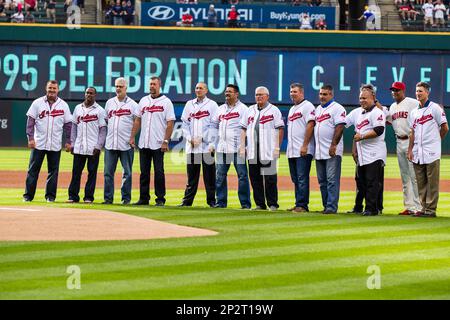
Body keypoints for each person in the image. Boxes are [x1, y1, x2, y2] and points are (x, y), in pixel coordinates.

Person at [23, 80, 72, 202]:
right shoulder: (37, 103)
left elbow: (68, 125)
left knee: (53, 172)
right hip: (39, 143)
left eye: (54, 88)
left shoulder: (63, 105)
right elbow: (30, 122)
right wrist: (30, 138)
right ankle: (28, 196)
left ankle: (50, 196)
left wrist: (68, 141)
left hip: (54, 144)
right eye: (50, 88)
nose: (52, 90)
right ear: (46, 88)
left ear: (58, 90)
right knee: (33, 171)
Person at [130, 77, 175, 206]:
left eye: (154, 84)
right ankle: (143, 198)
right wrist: (132, 136)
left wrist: (166, 141)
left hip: (158, 143)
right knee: (144, 172)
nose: (152, 86)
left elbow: (170, 123)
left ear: (159, 85)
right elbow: (137, 120)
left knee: (159, 172)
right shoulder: (144, 101)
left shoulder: (166, 102)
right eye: (150, 84)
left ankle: (160, 199)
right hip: (144, 142)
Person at [240, 86, 284, 211]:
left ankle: (272, 204)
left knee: (270, 178)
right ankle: (260, 204)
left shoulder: (274, 110)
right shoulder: (250, 110)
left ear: (267, 96)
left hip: (268, 149)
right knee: (254, 178)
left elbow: (280, 128)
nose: (259, 97)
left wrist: (277, 147)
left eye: (261, 95)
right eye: (257, 95)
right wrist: (242, 146)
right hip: (253, 149)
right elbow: (243, 128)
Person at [407, 82, 448, 217]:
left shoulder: (435, 108)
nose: (418, 93)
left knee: (432, 182)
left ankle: (431, 210)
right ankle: (423, 208)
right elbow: (412, 132)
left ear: (427, 92)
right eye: (417, 91)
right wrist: (410, 149)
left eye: (421, 91)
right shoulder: (414, 112)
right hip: (418, 151)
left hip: (432, 151)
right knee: (421, 181)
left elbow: (445, 127)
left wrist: (436, 141)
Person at [179, 82, 219, 207]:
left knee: (209, 177)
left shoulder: (212, 105)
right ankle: (187, 202)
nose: (198, 90)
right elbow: (184, 124)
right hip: (192, 147)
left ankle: (212, 202)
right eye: (196, 88)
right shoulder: (189, 104)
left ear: (206, 90)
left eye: (201, 88)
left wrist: (202, 138)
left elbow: (215, 126)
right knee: (191, 177)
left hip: (207, 147)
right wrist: (190, 138)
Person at [212, 84, 251, 209]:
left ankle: (245, 204)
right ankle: (221, 202)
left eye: (230, 91)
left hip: (237, 148)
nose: (227, 93)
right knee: (220, 177)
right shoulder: (220, 109)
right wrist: (212, 143)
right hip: (222, 148)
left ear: (236, 94)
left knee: (242, 176)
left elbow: (247, 129)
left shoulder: (243, 109)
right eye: (226, 91)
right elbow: (214, 126)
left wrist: (244, 146)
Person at [67, 87, 106, 204]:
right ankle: (73, 196)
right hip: (79, 146)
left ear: (95, 95)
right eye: (87, 93)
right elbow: (74, 127)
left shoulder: (100, 110)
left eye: (91, 93)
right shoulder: (78, 108)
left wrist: (99, 146)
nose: (89, 95)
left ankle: (88, 197)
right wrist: (73, 143)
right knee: (76, 173)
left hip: (93, 147)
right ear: (84, 94)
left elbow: (103, 130)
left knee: (92, 173)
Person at [386, 81, 421, 215]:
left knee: (414, 176)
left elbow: (425, 108)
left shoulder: (412, 102)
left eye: (397, 90)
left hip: (411, 141)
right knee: (405, 176)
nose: (395, 92)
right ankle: (409, 206)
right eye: (393, 90)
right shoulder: (393, 107)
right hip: (399, 142)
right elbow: (389, 121)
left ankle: (419, 207)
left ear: (403, 91)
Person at [103, 77, 139, 205]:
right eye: (116, 86)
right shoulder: (109, 103)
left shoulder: (133, 104)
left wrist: (132, 137)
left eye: (120, 86)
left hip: (126, 143)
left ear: (126, 88)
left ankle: (126, 199)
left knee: (127, 173)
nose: (118, 88)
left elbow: (137, 121)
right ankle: (108, 199)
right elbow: (106, 120)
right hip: (111, 143)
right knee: (108, 173)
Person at [353, 86, 387, 216]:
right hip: (362, 154)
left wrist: (361, 136)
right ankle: (370, 207)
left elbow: (379, 130)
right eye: (360, 98)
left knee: (372, 182)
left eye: (365, 98)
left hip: (375, 153)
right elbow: (355, 131)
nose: (362, 100)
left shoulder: (377, 113)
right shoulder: (361, 114)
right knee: (362, 182)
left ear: (373, 98)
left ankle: (372, 208)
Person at [314, 84, 346, 214]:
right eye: (321, 94)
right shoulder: (317, 109)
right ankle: (326, 206)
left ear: (331, 95)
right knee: (322, 181)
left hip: (332, 150)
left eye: (325, 94)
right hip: (319, 151)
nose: (322, 96)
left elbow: (340, 127)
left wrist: (334, 145)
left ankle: (332, 207)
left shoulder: (337, 108)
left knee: (332, 180)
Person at [286, 83, 315, 213]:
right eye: (291, 91)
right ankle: (298, 203)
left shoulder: (307, 106)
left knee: (302, 178)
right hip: (292, 150)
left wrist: (305, 145)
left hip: (303, 149)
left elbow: (310, 125)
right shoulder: (292, 109)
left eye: (295, 91)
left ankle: (302, 205)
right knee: (296, 178)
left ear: (301, 93)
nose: (292, 94)